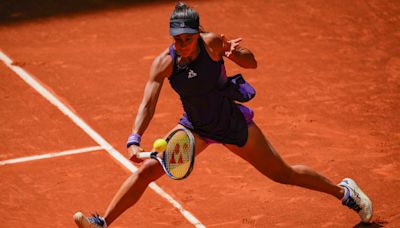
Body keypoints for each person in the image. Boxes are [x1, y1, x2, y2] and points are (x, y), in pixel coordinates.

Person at [73, 2, 373, 227]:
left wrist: (232, 53)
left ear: (196, 33)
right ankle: (102, 223)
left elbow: (252, 63)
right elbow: (148, 103)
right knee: (146, 172)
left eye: (187, 39)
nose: (182, 45)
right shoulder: (164, 62)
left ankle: (344, 191)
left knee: (284, 174)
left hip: (231, 124)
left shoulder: (212, 44)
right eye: (177, 40)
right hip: (195, 127)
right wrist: (134, 140)